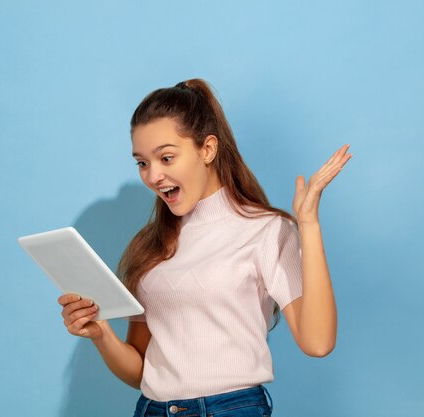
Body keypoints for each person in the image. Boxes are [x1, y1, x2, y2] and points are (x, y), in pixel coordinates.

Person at [57, 79, 352, 417]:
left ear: (208, 149)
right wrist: (101, 334)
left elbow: (317, 342)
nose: (153, 176)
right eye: (142, 163)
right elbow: (141, 372)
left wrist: (309, 224)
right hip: (151, 410)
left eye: (166, 157)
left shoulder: (266, 231)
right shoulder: (150, 245)